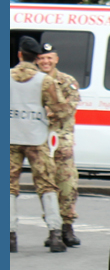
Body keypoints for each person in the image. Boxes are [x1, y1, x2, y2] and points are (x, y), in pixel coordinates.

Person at [10, 36, 69, 253]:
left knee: (8, 187)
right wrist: (50, 121)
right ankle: (55, 234)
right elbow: (62, 110)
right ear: (36, 58)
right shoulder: (45, 81)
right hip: (36, 139)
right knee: (46, 185)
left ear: (19, 55)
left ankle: (10, 235)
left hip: (10, 138)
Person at [34, 43, 81, 246]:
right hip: (39, 142)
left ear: (56, 59)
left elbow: (67, 109)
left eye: (49, 58)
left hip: (62, 141)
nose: (45, 62)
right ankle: (53, 227)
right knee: (45, 186)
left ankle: (67, 227)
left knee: (67, 184)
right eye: (42, 58)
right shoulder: (33, 81)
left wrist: (47, 110)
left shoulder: (67, 81)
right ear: (36, 60)